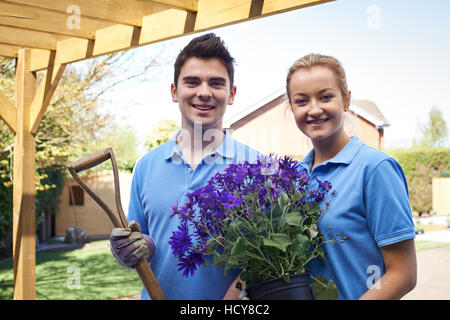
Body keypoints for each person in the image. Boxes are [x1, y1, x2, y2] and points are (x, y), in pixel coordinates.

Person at [109, 33, 259, 300]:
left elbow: (271, 256)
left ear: (231, 94)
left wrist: (237, 294)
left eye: (216, 83)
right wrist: (132, 249)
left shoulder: (256, 168)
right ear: (174, 91)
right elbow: (145, 243)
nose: (204, 92)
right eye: (192, 82)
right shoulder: (146, 166)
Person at [285, 53, 417, 300]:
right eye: (302, 101)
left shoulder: (375, 169)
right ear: (292, 107)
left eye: (325, 97)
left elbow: (403, 274)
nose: (314, 109)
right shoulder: (295, 178)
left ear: (346, 100)